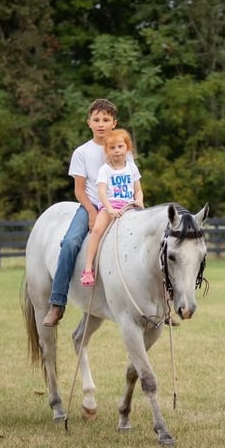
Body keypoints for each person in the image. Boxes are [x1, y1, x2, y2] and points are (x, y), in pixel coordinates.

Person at [42, 98, 129, 327]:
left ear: (114, 123)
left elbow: (131, 179)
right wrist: (91, 212)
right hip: (92, 205)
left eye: (106, 120)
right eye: (96, 119)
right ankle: (57, 302)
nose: (101, 124)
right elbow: (79, 190)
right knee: (70, 243)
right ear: (88, 122)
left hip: (122, 204)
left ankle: (160, 301)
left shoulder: (120, 146)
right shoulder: (82, 153)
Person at [80, 129, 144, 286]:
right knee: (96, 230)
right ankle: (88, 269)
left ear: (127, 148)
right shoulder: (105, 170)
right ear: (107, 151)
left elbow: (138, 190)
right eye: (112, 148)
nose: (117, 151)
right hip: (111, 206)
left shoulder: (131, 168)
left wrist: (139, 201)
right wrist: (109, 208)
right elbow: (101, 192)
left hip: (129, 206)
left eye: (120, 147)